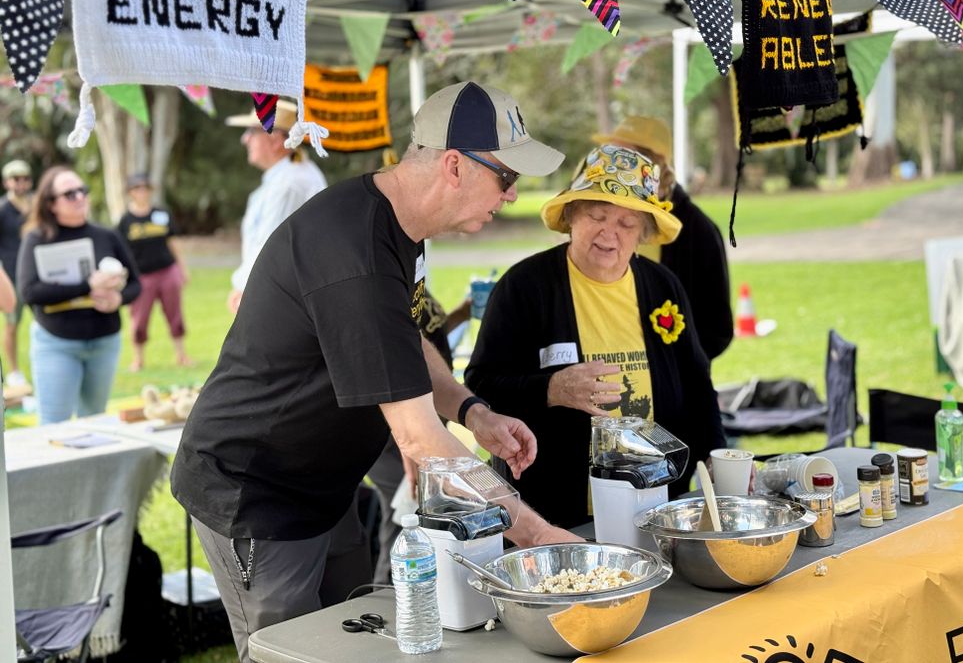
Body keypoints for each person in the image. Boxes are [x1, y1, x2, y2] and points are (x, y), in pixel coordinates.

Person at [170, 81, 578, 663]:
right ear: (455, 165)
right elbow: (416, 437)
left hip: (324, 484)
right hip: (257, 490)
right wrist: (537, 537)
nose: (510, 197)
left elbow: (405, 335)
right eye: (506, 178)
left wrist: (471, 410)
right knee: (289, 651)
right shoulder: (355, 250)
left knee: (356, 637)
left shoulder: (397, 227)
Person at [465, 145, 727, 530]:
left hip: (657, 505)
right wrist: (551, 389)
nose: (610, 233)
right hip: (554, 515)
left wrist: (714, 454)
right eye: (597, 215)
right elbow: (481, 386)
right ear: (571, 215)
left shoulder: (662, 288)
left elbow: (697, 382)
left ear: (643, 233)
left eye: (626, 223)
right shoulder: (525, 288)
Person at [594, 117, 734, 361]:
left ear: (654, 163)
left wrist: (678, 364)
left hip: (675, 383)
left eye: (622, 156)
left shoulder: (697, 230)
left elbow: (717, 329)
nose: (611, 164)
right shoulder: (601, 218)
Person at [16, 166, 141, 424]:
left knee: (94, 423)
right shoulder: (38, 239)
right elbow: (29, 291)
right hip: (57, 343)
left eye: (82, 191)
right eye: (70, 194)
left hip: (104, 342)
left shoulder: (107, 235)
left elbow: (136, 284)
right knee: (54, 425)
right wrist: (88, 285)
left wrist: (119, 299)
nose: (80, 197)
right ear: (51, 204)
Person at [367, 289, 472, 585]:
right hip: (396, 430)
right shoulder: (384, 286)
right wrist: (408, 437)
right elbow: (382, 359)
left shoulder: (414, 281)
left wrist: (462, 314)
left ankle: (407, 586)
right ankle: (386, 590)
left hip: (427, 419)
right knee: (406, 510)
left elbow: (425, 340)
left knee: (414, 507)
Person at [226, 99, 327, 314]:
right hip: (282, 294)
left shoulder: (289, 183)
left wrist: (245, 288)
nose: (245, 139)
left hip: (280, 300)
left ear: (275, 140)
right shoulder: (289, 176)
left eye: (252, 131)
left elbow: (269, 246)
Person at [116, 173, 192, 371]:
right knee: (139, 319)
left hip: (167, 271)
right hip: (142, 277)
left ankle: (181, 355)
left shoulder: (161, 214)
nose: (142, 192)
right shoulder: (126, 221)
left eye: (145, 188)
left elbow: (173, 242)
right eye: (137, 188)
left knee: (175, 314)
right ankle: (138, 359)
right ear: (130, 192)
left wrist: (182, 269)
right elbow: (121, 252)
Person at [0, 159, 34, 387]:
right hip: (11, 274)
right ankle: (14, 371)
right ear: (7, 182)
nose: (20, 183)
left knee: (46, 321)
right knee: (12, 323)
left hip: (36, 272)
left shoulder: (35, 205)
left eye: (24, 178)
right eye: (15, 179)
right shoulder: (3, 209)